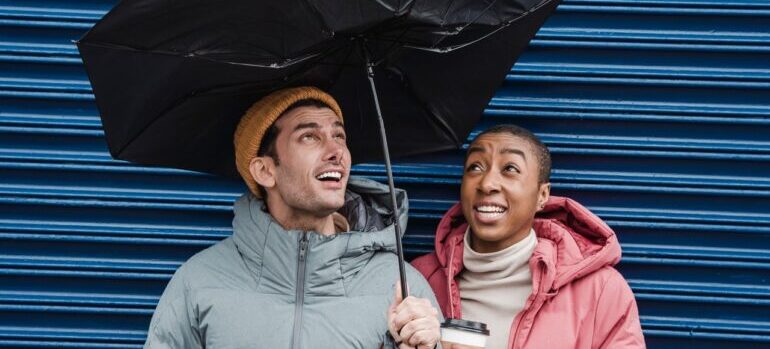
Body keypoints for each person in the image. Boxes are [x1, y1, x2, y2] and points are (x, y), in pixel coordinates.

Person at [144, 87, 441, 348]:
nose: (336, 150)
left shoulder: (401, 288)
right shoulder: (198, 282)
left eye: (339, 135)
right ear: (265, 171)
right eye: (310, 137)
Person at [412, 125, 645, 349]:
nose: (487, 184)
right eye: (475, 167)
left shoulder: (601, 291)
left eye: (510, 169)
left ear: (542, 195)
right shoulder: (416, 280)